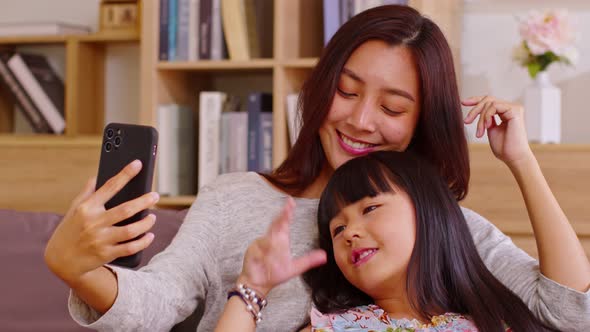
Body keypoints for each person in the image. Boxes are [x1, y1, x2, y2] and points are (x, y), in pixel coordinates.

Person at [44, 5, 589, 331]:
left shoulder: (441, 222)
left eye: (393, 108)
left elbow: (571, 311)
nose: (360, 120)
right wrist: (79, 268)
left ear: (422, 122)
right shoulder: (235, 200)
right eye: (346, 92)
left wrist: (522, 162)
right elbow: (158, 304)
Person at [214, 150, 562, 331]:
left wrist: (521, 158)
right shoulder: (334, 328)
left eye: (371, 208)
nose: (350, 232)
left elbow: (575, 302)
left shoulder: (497, 320)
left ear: (428, 209)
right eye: (336, 230)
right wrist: (252, 288)